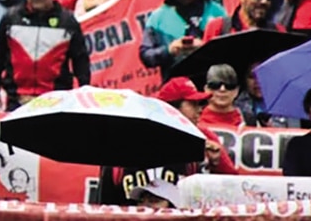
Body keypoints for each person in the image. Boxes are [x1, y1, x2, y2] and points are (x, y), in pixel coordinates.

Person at [99, 77, 237, 205]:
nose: (200, 110)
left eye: (199, 104)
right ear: (171, 109)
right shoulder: (127, 141)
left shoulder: (204, 137)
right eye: (193, 104)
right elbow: (104, 208)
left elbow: (234, 189)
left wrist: (216, 164)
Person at [0, 0, 90, 112]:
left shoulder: (67, 21)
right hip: (17, 100)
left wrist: (84, 89)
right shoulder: (10, 18)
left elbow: (81, 60)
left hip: (57, 102)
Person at [139, 0, 226, 79]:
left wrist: (205, 48)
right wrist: (169, 50)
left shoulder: (217, 12)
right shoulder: (158, 18)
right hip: (174, 82)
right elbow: (146, 55)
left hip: (213, 80)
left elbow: (231, 48)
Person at [235, 61, 301, 128]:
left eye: (262, 75)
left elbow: (295, 132)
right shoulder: (236, 107)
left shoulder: (288, 106)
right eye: (252, 77)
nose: (257, 81)